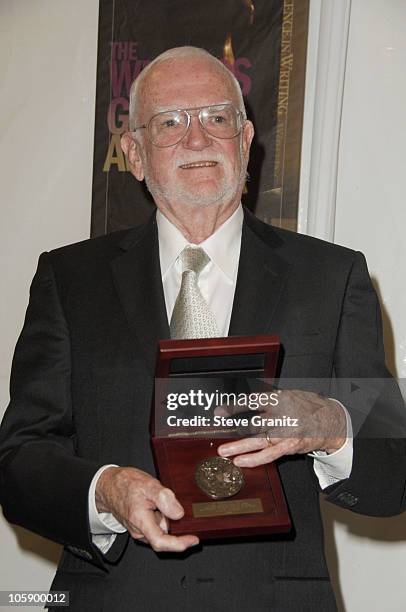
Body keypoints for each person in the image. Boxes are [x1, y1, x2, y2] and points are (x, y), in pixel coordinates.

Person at [0, 46, 405, 612]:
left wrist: (333, 425)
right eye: (170, 123)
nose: (197, 140)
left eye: (217, 118)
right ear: (135, 155)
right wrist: (105, 491)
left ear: (245, 142)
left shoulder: (333, 276)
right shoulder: (70, 279)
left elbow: (394, 473)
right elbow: (20, 461)